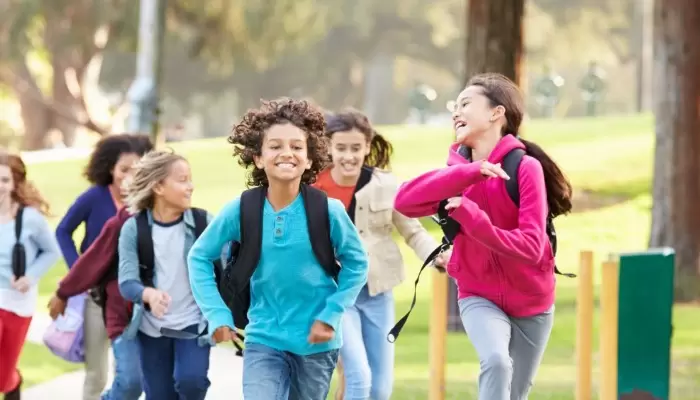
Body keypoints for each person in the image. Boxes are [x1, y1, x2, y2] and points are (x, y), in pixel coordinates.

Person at [393, 73, 573, 400]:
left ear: (496, 113)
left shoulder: (525, 167)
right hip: (478, 293)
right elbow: (404, 202)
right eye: (454, 106)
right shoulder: (455, 174)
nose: (455, 112)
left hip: (533, 302)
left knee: (515, 393)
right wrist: (468, 172)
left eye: (465, 104)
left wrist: (473, 219)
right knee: (496, 362)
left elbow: (532, 248)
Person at [187, 98, 369, 400]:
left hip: (317, 343)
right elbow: (199, 257)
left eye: (297, 147)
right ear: (258, 157)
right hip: (263, 339)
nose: (287, 153)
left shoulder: (329, 211)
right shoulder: (241, 210)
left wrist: (332, 312)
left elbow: (357, 263)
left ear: (310, 159)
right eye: (275, 146)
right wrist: (217, 315)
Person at [315, 109, 444, 400]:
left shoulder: (386, 184)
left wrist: (435, 255)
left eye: (356, 148)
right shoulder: (314, 188)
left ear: (368, 148)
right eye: (341, 148)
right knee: (358, 377)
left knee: (380, 389)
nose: (349, 156)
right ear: (329, 148)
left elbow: (412, 230)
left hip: (378, 293)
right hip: (335, 295)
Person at [47, 135, 153, 400]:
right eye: (123, 169)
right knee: (97, 374)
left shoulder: (146, 205)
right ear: (110, 169)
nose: (129, 176)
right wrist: (78, 272)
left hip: (130, 299)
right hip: (95, 297)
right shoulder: (94, 198)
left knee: (129, 375)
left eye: (136, 169)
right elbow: (63, 231)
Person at [117, 150, 212, 400]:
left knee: (192, 382)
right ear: (159, 186)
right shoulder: (134, 229)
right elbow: (126, 282)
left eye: (190, 179)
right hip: (152, 329)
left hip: (193, 324)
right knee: (160, 395)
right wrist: (147, 293)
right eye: (182, 180)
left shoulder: (203, 223)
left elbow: (231, 266)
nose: (190, 186)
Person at [0, 152, 61, 400]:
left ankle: (13, 380)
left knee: (3, 377)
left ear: (14, 184)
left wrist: (31, 276)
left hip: (17, 302)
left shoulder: (30, 220)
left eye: (4, 180)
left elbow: (51, 252)